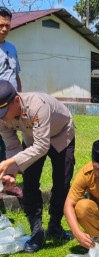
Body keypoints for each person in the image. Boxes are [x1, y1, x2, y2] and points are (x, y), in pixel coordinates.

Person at [0, 80, 75, 253]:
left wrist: (9, 162)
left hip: (61, 133)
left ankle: (55, 225)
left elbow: (42, 146)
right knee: (30, 182)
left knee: (61, 181)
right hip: (32, 137)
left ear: (16, 101)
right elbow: (12, 147)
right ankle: (36, 230)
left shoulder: (37, 106)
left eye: (4, 112)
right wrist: (12, 171)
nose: (2, 118)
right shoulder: (2, 118)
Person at [0, 6, 22, 197]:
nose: (4, 29)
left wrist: (20, 97)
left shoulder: (12, 48)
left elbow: (16, 75)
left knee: (13, 142)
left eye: (7, 25)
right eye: (1, 25)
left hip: (13, 105)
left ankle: (9, 182)